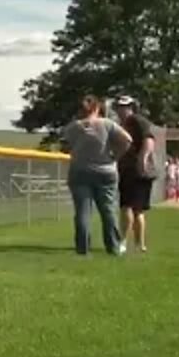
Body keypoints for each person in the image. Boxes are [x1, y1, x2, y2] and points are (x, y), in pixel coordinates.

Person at [60, 95, 132, 255]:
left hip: (79, 171)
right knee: (108, 210)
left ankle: (83, 248)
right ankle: (113, 247)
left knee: (82, 211)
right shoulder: (106, 124)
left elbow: (65, 145)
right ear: (97, 108)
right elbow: (128, 140)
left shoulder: (73, 127)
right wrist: (116, 155)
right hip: (106, 171)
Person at [114, 96, 156, 252]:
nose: (120, 110)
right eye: (118, 107)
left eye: (124, 107)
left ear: (131, 107)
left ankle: (124, 242)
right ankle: (139, 245)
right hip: (128, 170)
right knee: (134, 208)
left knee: (129, 207)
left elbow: (149, 140)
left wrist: (142, 159)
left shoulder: (137, 120)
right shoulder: (122, 125)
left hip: (137, 171)